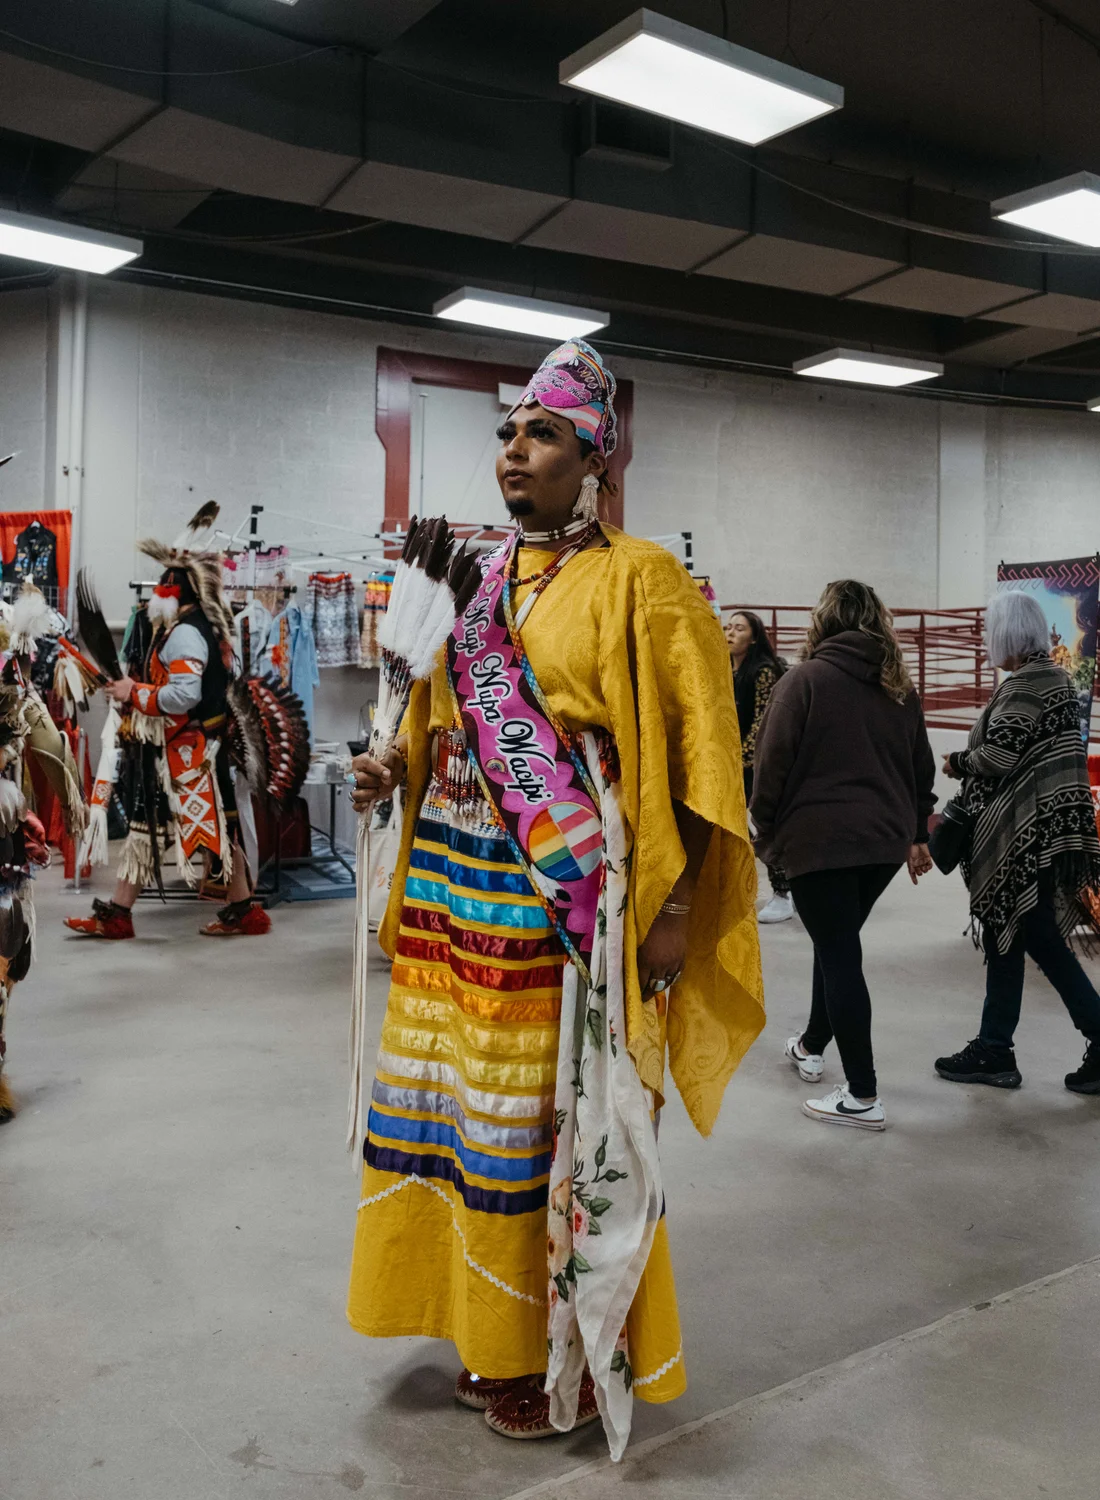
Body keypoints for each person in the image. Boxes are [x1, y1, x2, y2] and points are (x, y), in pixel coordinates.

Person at [346, 341, 764, 1455]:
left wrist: (671, 917)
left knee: (545, 1126)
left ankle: (544, 1349)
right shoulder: (472, 587)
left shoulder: (641, 580)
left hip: (553, 907)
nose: (513, 453)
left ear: (595, 459)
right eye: (505, 434)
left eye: (541, 435)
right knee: (455, 1116)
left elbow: (698, 755)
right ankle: (484, 1338)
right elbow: (435, 720)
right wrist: (391, 767)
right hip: (451, 891)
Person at [751, 579, 935, 1131]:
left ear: (823, 620)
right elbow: (920, 766)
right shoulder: (898, 686)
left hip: (819, 839)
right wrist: (916, 832)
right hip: (882, 842)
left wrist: (765, 838)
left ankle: (862, 1094)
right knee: (836, 942)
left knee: (839, 955)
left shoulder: (803, 680)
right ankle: (810, 1044)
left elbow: (770, 767)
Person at [63, 514, 274, 939]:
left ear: (178, 593)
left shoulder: (184, 635)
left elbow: (184, 695)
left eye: (164, 588)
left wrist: (133, 692)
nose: (156, 595)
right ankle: (242, 910)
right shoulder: (196, 627)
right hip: (188, 749)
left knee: (163, 827)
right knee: (193, 828)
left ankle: (121, 916)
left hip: (189, 753)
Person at [935, 590, 1100, 1095]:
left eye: (991, 631)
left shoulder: (1027, 685)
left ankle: (1003, 1047)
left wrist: (956, 762)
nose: (988, 642)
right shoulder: (1053, 679)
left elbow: (999, 758)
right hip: (1041, 835)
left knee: (1037, 939)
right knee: (1016, 936)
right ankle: (994, 1048)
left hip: (1027, 840)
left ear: (1008, 634)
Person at [726, 609, 793, 923]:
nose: (730, 633)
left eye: (739, 628)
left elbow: (763, 722)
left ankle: (784, 893)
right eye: (728, 627)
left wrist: (742, 759)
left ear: (754, 638)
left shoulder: (764, 671)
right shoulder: (729, 669)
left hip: (759, 764)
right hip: (736, 762)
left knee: (763, 827)